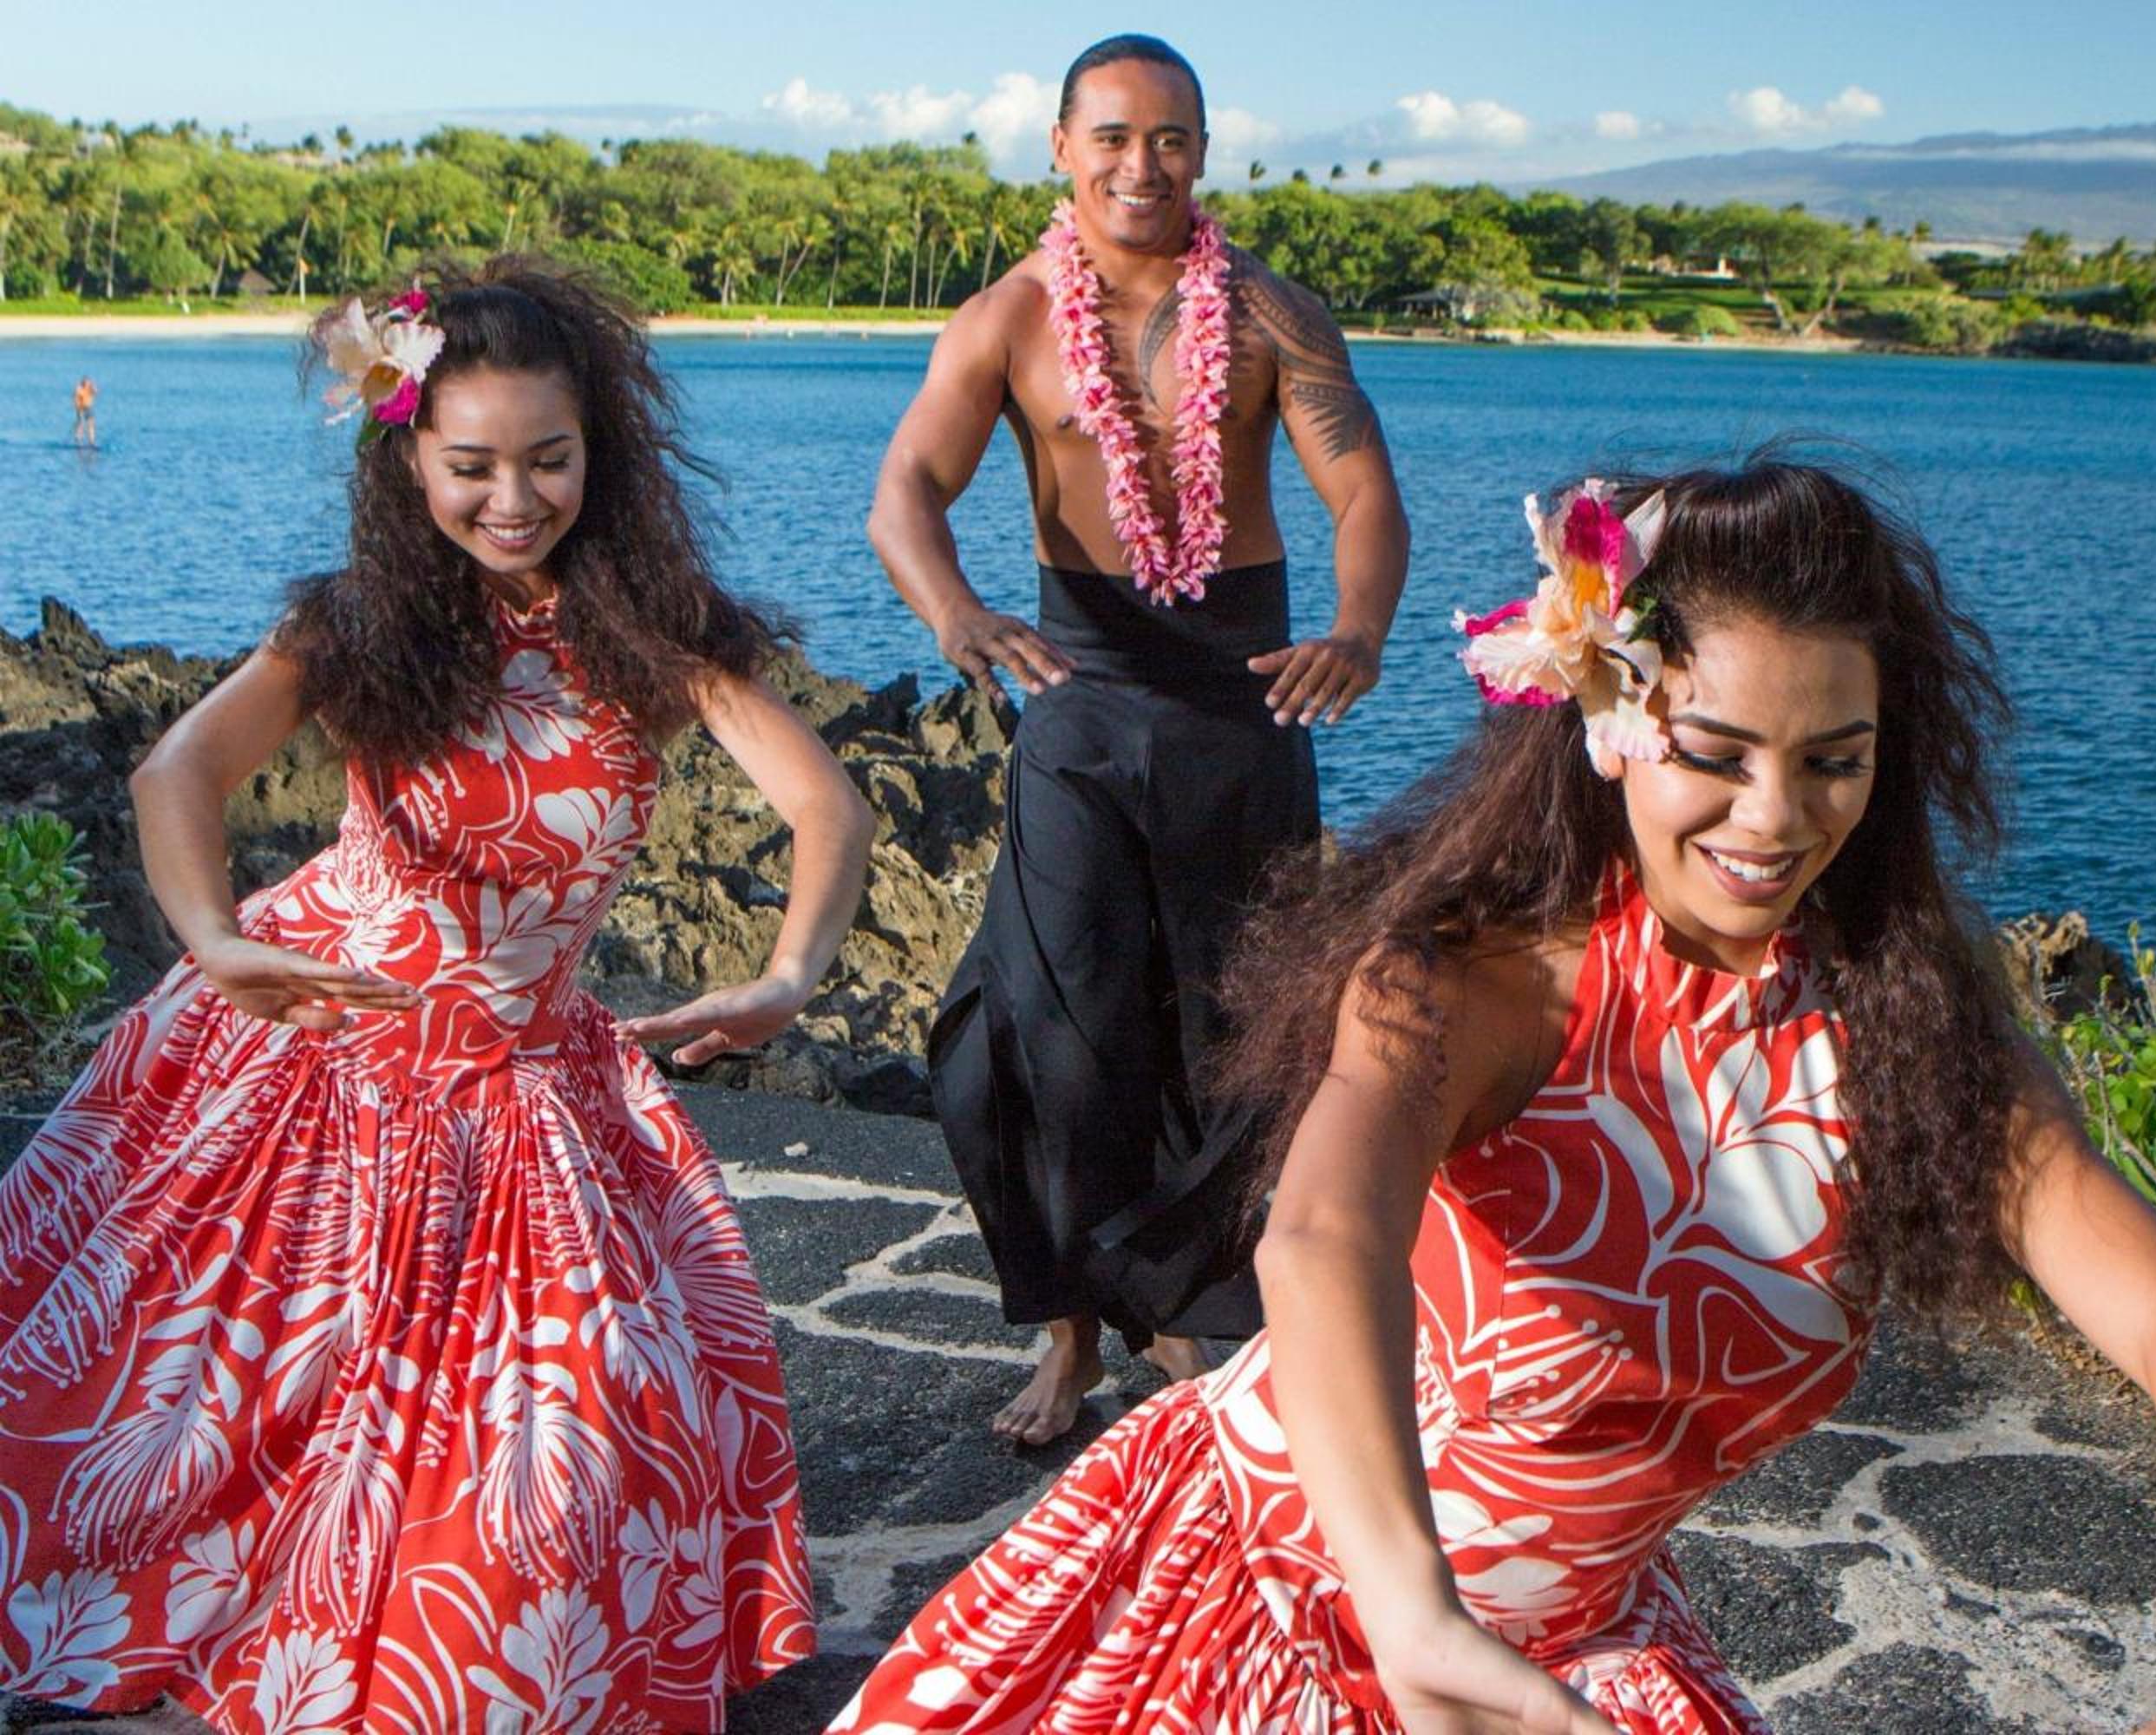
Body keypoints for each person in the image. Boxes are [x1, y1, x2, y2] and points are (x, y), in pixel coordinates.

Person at [823, 455, 2156, 1732]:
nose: (1776, 817)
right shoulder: (1470, 985)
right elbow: (1323, 1239)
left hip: (1564, 1663)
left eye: (1835, 762)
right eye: (1715, 754)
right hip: (1265, 1598)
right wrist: (1413, 1616)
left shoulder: (1911, 1043)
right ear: (1610, 722)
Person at [0, 257, 870, 1731]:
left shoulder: (654, 634)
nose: (513, 500)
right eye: (471, 466)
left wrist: (790, 973)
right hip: (318, 1054)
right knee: (186, 1435)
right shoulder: (350, 624)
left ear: (601, 446)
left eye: (549, 459)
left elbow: (826, 808)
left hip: (532, 1094)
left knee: (576, 1491)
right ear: (408, 457)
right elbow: (177, 775)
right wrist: (214, 942)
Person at [872, 32, 1410, 1444]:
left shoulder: (1279, 319)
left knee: (1244, 1029)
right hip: (1083, 698)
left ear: (1205, 153)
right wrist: (956, 616)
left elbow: (1362, 496)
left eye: (1169, 138)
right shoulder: (1007, 321)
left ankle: (1200, 1319)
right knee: (1044, 1033)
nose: (1140, 164)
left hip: (1247, 705)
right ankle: (1065, 1327)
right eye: (1111, 137)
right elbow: (907, 495)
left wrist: (1355, 630)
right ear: (1061, 150)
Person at [70, 375, 98, 448]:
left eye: (88, 383)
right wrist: (77, 407)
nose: (87, 384)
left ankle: (92, 442)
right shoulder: (79, 389)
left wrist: (92, 387)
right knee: (81, 423)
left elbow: (96, 392)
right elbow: (75, 399)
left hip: (88, 408)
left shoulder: (90, 388)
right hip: (81, 408)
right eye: (86, 383)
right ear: (83, 383)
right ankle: (78, 439)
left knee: (91, 424)